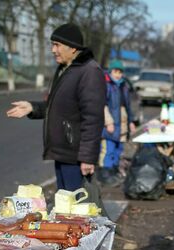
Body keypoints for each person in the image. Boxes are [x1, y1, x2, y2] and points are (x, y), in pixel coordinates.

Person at [6, 23, 105, 191]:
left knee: (76, 210)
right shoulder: (65, 69)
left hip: (76, 156)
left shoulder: (89, 72)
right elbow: (58, 106)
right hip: (62, 153)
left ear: (73, 48)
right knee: (64, 206)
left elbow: (93, 119)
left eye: (57, 45)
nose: (53, 50)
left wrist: (87, 158)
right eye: (52, 44)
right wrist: (32, 107)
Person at [97, 59, 134, 187]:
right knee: (108, 150)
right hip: (111, 125)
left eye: (120, 72)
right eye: (116, 71)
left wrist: (131, 122)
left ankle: (113, 172)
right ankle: (104, 175)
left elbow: (128, 107)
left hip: (122, 126)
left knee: (118, 150)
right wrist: (108, 123)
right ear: (110, 71)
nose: (118, 74)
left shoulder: (124, 86)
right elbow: (102, 105)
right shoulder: (106, 85)